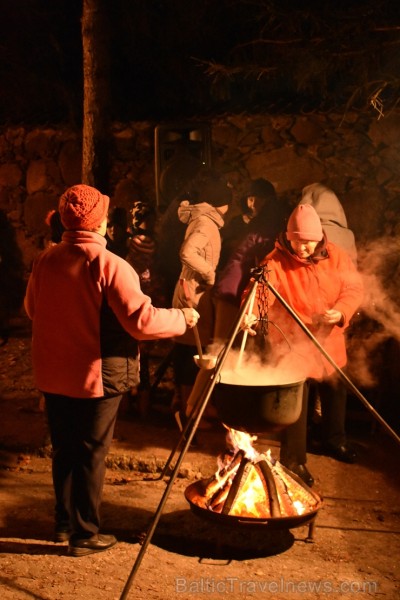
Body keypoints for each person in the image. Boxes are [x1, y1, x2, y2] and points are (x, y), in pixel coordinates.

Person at [24, 184, 199, 557]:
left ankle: (63, 524)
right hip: (97, 373)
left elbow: (31, 310)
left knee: (65, 449)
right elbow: (142, 322)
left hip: (54, 371)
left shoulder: (45, 260)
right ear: (100, 222)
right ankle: (86, 534)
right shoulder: (110, 265)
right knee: (91, 451)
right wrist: (183, 318)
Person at [241, 203, 364, 486]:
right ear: (288, 236)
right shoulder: (275, 261)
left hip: (329, 338)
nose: (302, 248)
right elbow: (258, 291)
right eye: (296, 241)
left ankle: (335, 440)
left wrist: (341, 311)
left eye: (307, 243)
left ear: (318, 238)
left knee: (335, 389)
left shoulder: (337, 257)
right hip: (293, 341)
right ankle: (294, 460)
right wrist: (250, 314)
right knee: (297, 403)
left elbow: (354, 288)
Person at [299, 183, 359, 460]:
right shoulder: (346, 234)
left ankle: (311, 435)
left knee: (319, 383)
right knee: (323, 382)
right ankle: (332, 438)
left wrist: (341, 310)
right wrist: (343, 311)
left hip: (327, 324)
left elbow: (352, 284)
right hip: (309, 325)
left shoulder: (337, 249)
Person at [171, 169, 232, 424]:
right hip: (193, 292)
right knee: (192, 352)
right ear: (221, 203)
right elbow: (187, 252)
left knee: (191, 349)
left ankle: (189, 408)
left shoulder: (203, 219)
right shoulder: (207, 224)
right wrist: (209, 274)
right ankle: (188, 413)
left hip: (192, 290)